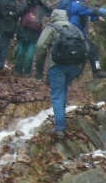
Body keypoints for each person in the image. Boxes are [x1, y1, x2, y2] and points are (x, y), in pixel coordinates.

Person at [34, 10, 88, 139]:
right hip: (75, 66)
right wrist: (80, 69)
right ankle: (62, 118)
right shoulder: (75, 28)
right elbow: (86, 47)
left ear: (53, 18)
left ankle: (60, 128)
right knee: (63, 91)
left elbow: (41, 46)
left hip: (57, 66)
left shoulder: (51, 28)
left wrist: (39, 69)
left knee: (57, 94)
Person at [16, 0, 51, 76]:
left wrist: (44, 4)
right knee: (20, 53)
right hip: (23, 32)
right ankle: (18, 70)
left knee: (30, 56)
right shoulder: (24, 4)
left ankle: (27, 72)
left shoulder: (39, 5)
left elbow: (49, 12)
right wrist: (26, 6)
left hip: (34, 33)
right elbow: (18, 13)